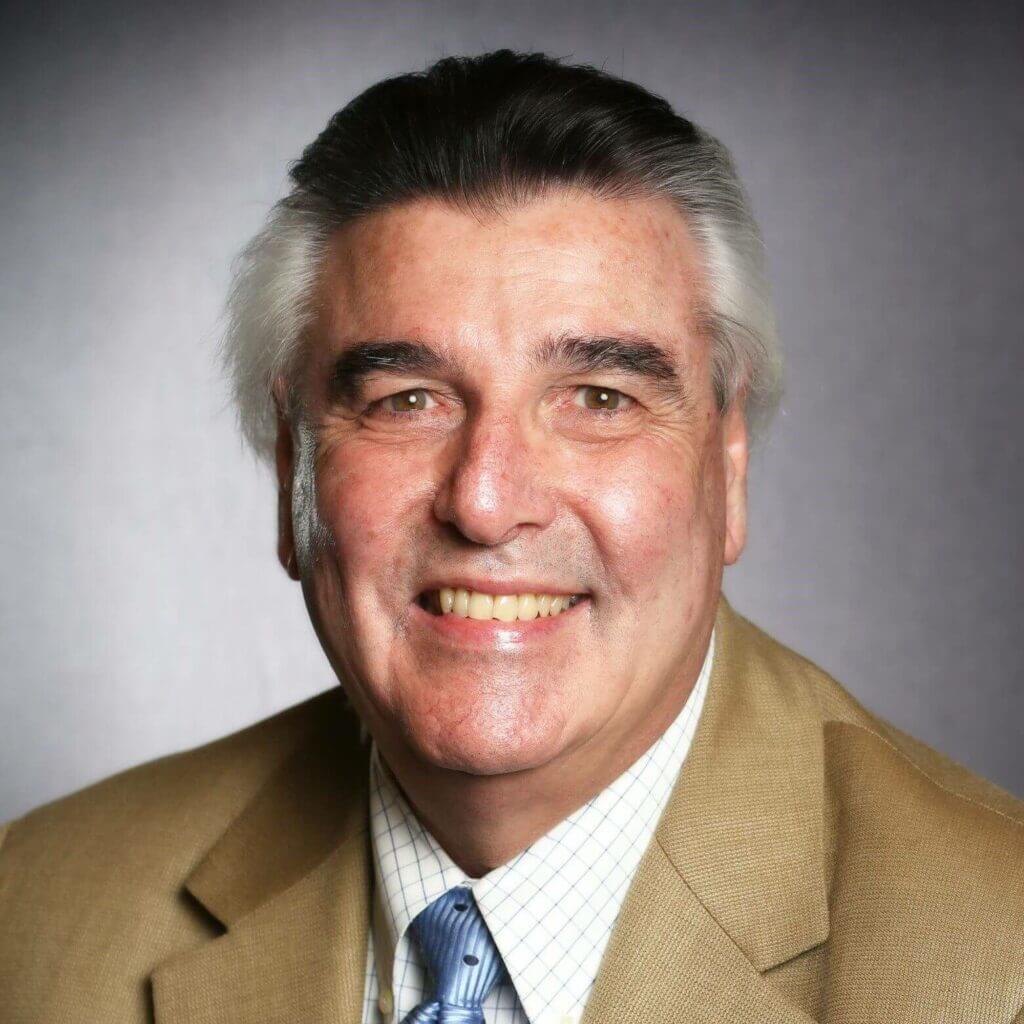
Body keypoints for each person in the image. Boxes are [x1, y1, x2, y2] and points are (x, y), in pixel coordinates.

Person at [1, 49, 1021, 1024]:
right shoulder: (37, 915)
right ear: (291, 470)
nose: (486, 502)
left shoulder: (993, 964)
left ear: (730, 459)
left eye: (596, 397)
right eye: (407, 400)